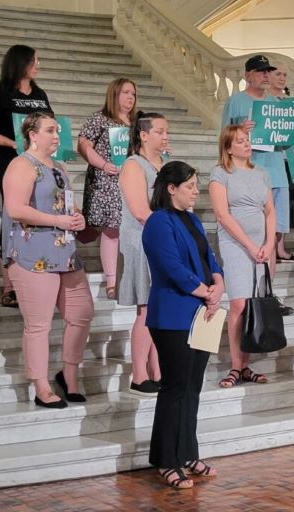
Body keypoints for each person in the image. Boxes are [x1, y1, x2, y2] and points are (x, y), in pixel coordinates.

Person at [1, 112, 94, 409]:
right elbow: (15, 209)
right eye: (51, 131)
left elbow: (66, 205)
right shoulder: (20, 165)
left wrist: (77, 218)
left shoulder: (60, 167)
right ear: (32, 134)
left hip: (65, 254)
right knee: (38, 325)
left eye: (57, 131)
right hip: (32, 254)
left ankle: (68, 375)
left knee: (81, 313)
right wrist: (57, 220)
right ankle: (41, 386)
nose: (57, 136)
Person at [142, 161, 224, 489]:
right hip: (173, 314)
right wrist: (206, 292)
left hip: (202, 311)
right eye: (190, 186)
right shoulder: (158, 222)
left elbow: (210, 258)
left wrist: (217, 284)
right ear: (171, 188)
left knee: (193, 386)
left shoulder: (192, 219)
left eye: (196, 185)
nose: (196, 191)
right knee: (175, 388)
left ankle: (188, 453)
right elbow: (172, 266)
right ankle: (166, 459)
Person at [221, 54, 294, 314]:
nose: (266, 75)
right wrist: (239, 129)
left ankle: (266, 293)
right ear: (248, 75)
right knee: (249, 234)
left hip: (275, 174)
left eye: (268, 71)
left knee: (272, 236)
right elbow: (223, 136)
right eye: (260, 71)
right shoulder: (236, 101)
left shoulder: (276, 102)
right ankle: (246, 291)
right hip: (246, 174)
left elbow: (284, 141)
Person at [0, 44, 53, 309]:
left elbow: (51, 128)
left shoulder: (40, 94)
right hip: (12, 168)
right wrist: (12, 143)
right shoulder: (0, 94)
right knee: (13, 222)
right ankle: (10, 286)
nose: (38, 65)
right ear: (20, 63)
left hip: (41, 168)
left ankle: (38, 276)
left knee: (40, 220)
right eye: (34, 60)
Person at [209, 124, 276, 388]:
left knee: (254, 305)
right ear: (228, 147)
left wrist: (270, 243)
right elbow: (222, 214)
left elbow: (270, 210)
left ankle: (246, 365)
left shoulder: (261, 173)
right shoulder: (220, 173)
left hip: (262, 246)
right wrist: (249, 244)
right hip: (236, 244)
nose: (246, 143)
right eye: (239, 141)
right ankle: (235, 366)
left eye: (247, 139)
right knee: (238, 304)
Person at [117, 111, 168, 397]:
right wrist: (170, 227)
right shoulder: (134, 165)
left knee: (159, 308)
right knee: (146, 308)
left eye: (166, 131)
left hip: (162, 240)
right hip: (142, 241)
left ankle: (158, 369)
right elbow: (139, 210)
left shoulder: (166, 164)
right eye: (159, 131)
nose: (165, 136)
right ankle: (139, 374)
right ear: (143, 134)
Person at [77, 78, 138, 299]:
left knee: (131, 229)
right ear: (114, 94)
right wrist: (102, 164)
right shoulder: (100, 118)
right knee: (112, 229)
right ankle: (112, 280)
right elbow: (83, 144)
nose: (130, 97)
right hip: (106, 180)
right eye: (125, 93)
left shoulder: (138, 122)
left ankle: (130, 275)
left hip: (131, 181)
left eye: (133, 93)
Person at [267, 59, 294, 260]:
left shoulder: (291, 103)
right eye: (278, 74)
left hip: (290, 158)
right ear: (268, 76)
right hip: (272, 159)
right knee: (272, 203)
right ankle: (271, 244)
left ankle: (281, 246)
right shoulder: (264, 101)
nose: (282, 78)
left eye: (285, 75)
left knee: (288, 205)